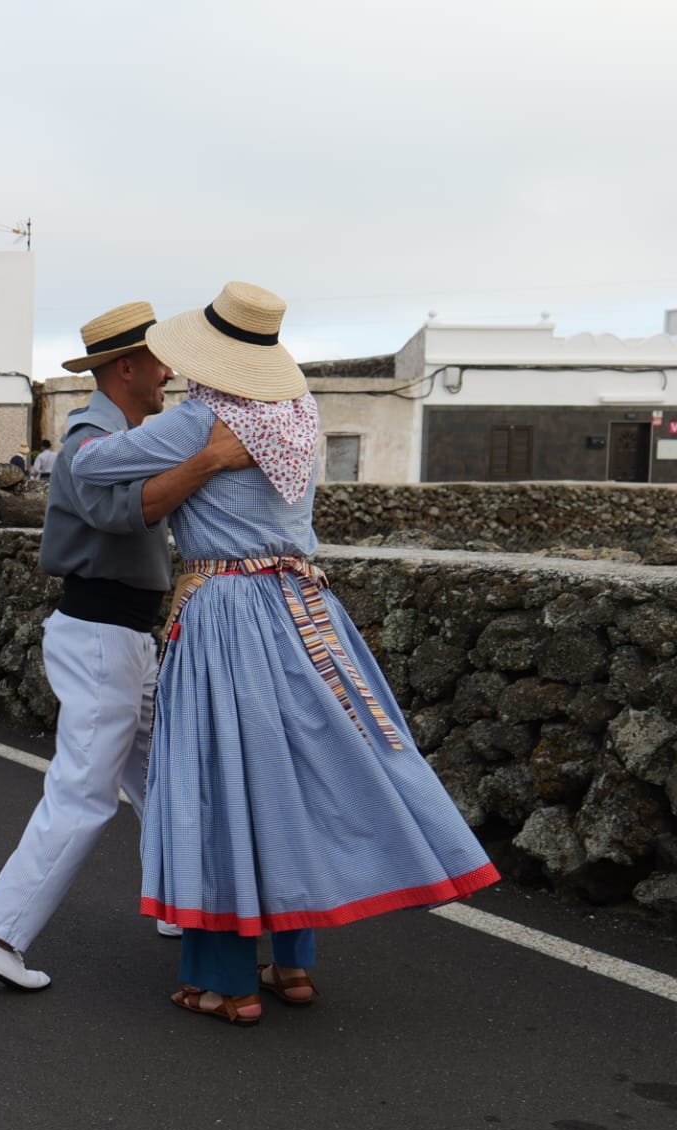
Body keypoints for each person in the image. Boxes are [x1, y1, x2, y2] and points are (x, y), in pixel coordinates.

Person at [68, 282, 498, 1025]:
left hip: (226, 614)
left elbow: (86, 468)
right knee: (290, 781)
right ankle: (291, 966)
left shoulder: (202, 418)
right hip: (304, 608)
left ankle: (223, 979)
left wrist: (185, 456)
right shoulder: (299, 412)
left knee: (219, 783)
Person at [0, 302, 254, 991]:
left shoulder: (119, 429)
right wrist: (212, 457)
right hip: (102, 636)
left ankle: (178, 902)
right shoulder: (94, 432)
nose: (168, 372)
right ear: (126, 367)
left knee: (159, 775)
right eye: (157, 360)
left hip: (117, 634)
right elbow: (125, 510)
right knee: (84, 793)